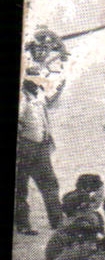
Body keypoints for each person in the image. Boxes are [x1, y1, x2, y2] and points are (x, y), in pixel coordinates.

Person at [17, 68, 63, 234]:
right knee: (20, 187)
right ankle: (22, 224)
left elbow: (50, 104)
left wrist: (60, 89)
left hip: (40, 145)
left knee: (49, 182)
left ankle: (57, 220)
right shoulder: (23, 98)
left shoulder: (38, 94)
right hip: (25, 147)